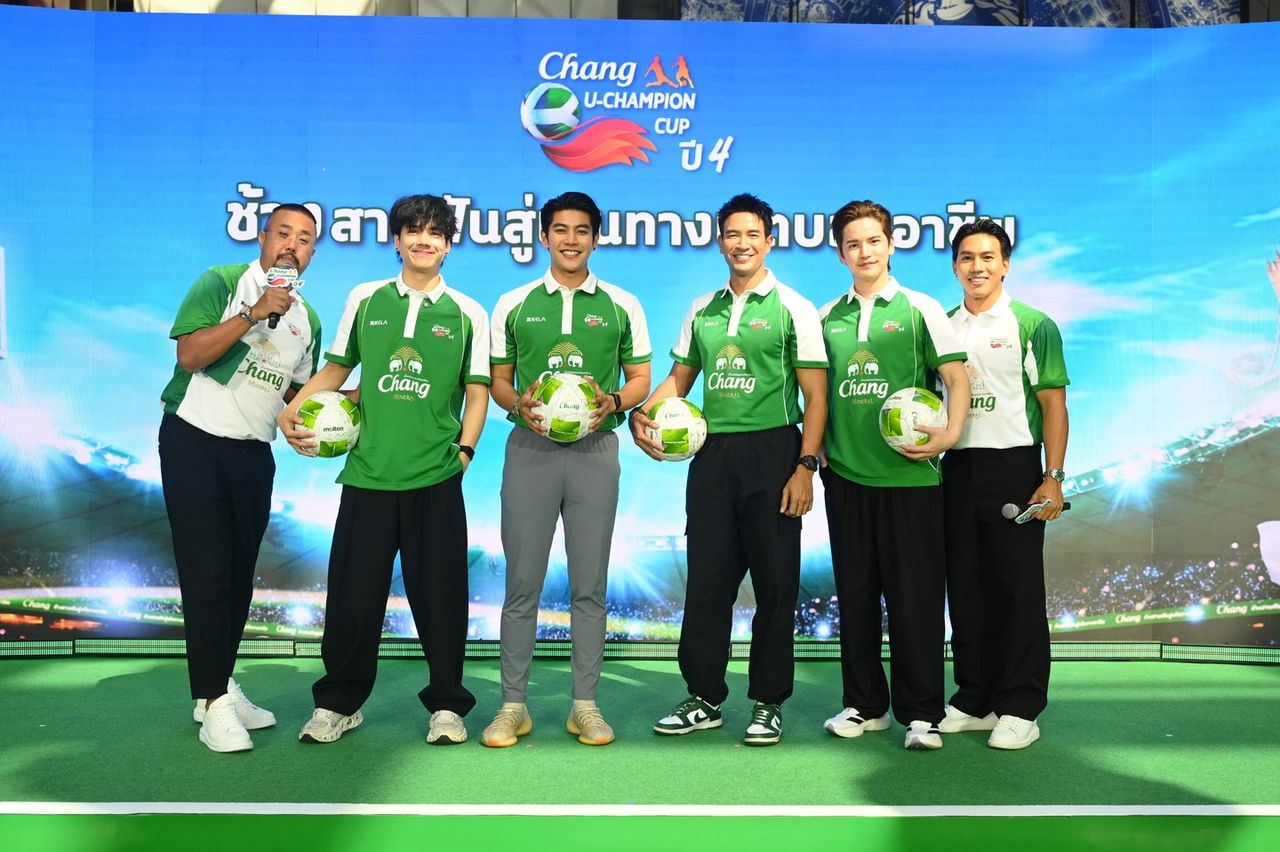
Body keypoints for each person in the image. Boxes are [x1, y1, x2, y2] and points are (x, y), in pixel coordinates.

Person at [278, 194, 490, 746]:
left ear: (448, 245)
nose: (423, 240)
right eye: (412, 230)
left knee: (441, 601)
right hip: (368, 473)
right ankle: (338, 704)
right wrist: (291, 408)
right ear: (397, 240)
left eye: (435, 232)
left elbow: (477, 394)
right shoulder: (366, 298)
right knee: (354, 601)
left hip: (436, 476)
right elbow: (337, 369)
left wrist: (464, 454)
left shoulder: (468, 312)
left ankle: (447, 706)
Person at [632, 193, 828, 747]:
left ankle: (768, 702)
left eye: (752, 235)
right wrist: (641, 416)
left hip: (775, 453)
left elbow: (816, 397)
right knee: (708, 585)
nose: (742, 244)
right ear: (721, 242)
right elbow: (680, 379)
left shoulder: (794, 308)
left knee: (775, 585)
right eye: (732, 235)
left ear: (770, 241)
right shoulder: (703, 308)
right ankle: (704, 698)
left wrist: (805, 465)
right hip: (713, 457)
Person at [480, 192, 652, 749]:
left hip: (596, 451)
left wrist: (616, 402)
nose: (571, 240)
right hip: (529, 450)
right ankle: (513, 707)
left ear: (595, 238)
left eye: (581, 230)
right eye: (560, 229)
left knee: (589, 585)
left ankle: (585, 706)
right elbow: (498, 380)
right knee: (521, 584)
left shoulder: (623, 304)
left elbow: (640, 378)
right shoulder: (514, 303)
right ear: (544, 236)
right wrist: (517, 404)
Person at [159, 203, 323, 753]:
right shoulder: (224, 282)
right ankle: (211, 703)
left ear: (312, 253)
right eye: (284, 233)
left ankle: (220, 684)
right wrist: (254, 313)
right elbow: (190, 355)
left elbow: (296, 393)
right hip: (194, 440)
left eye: (304, 239)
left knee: (236, 579)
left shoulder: (307, 319)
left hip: (254, 453)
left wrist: (346, 405)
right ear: (262, 237)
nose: (292, 246)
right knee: (206, 575)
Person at [817, 199, 969, 751]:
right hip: (846, 478)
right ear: (840, 253)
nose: (865, 252)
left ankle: (922, 714)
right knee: (856, 599)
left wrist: (949, 434)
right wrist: (819, 449)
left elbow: (956, 378)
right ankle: (864, 706)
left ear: (891, 244)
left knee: (915, 602)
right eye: (853, 244)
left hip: (911, 479)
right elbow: (816, 392)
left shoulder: (920, 308)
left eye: (874, 241)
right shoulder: (826, 317)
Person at [937, 219, 1069, 750]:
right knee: (966, 589)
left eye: (988, 257)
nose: (977, 267)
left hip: (1014, 467)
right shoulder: (942, 326)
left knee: (1016, 590)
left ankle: (1021, 706)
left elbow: (1053, 405)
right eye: (967, 257)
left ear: (1006, 265)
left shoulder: (1033, 324)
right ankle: (976, 698)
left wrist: (1052, 476)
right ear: (955, 266)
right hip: (955, 468)